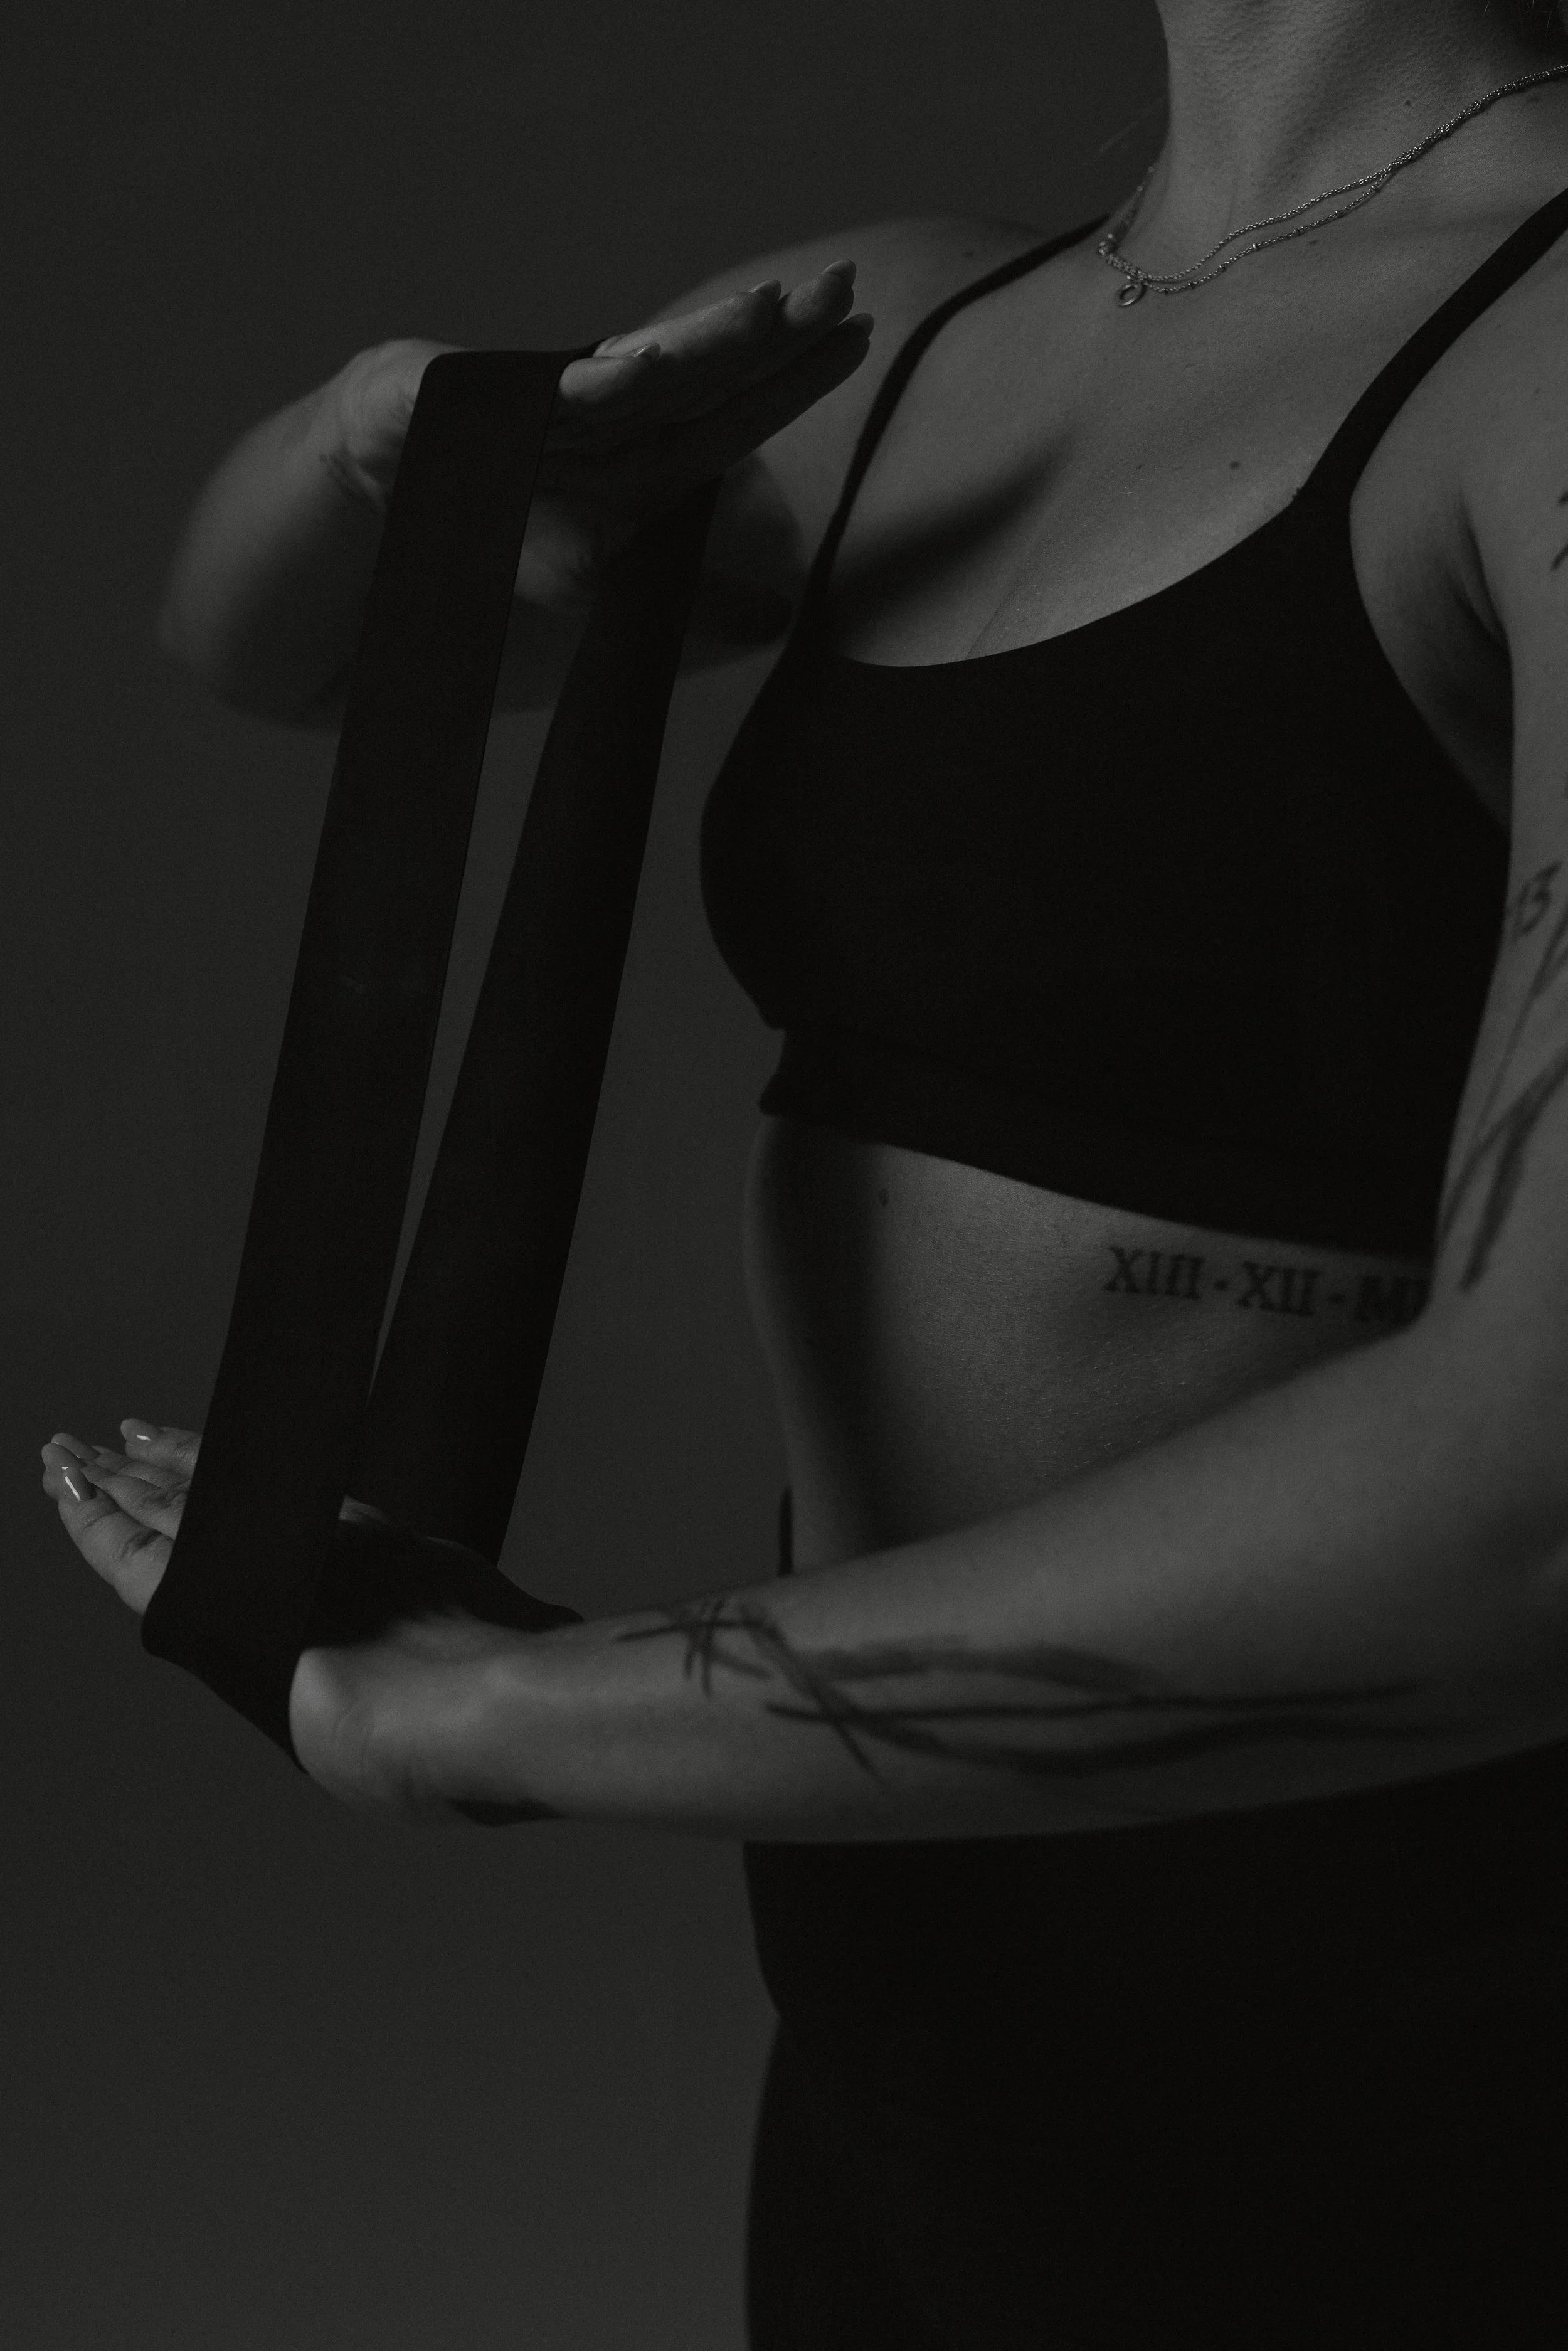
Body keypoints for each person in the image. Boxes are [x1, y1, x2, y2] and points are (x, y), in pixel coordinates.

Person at [40, 1, 1568, 2340]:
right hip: (915, 1990)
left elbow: (1537, 1505)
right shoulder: (929, 329)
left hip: (1409, 2019)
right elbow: (266, 642)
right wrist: (393, 451)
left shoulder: (1540, 350)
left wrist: (512, 1717)